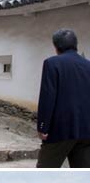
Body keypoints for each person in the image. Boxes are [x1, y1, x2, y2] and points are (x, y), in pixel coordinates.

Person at [36, 29, 90, 168]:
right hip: (86, 129)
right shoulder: (87, 65)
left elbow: (48, 96)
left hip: (60, 129)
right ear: (75, 45)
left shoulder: (52, 63)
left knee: (45, 170)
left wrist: (43, 126)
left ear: (56, 47)